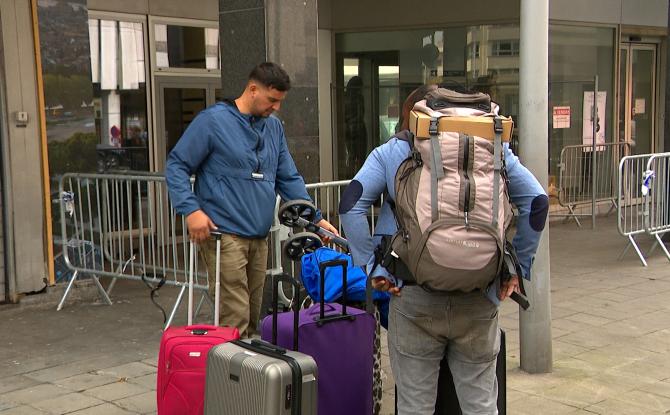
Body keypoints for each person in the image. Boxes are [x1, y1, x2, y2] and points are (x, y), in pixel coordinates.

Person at [339, 85, 548, 414]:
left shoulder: (394, 152)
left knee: (414, 406)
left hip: (412, 295)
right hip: (479, 295)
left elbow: (351, 205)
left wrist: (371, 268)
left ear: (414, 117)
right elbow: (537, 202)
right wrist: (517, 269)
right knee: (480, 404)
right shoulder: (492, 149)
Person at [166, 62, 338, 338]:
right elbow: (176, 165)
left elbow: (288, 177)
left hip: (258, 236)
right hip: (224, 234)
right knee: (235, 317)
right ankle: (232, 376)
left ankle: (247, 375)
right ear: (253, 89)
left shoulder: (273, 128)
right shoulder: (213, 121)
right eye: (272, 100)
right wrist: (191, 211)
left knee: (253, 313)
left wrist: (316, 219)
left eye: (280, 101)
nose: (276, 107)